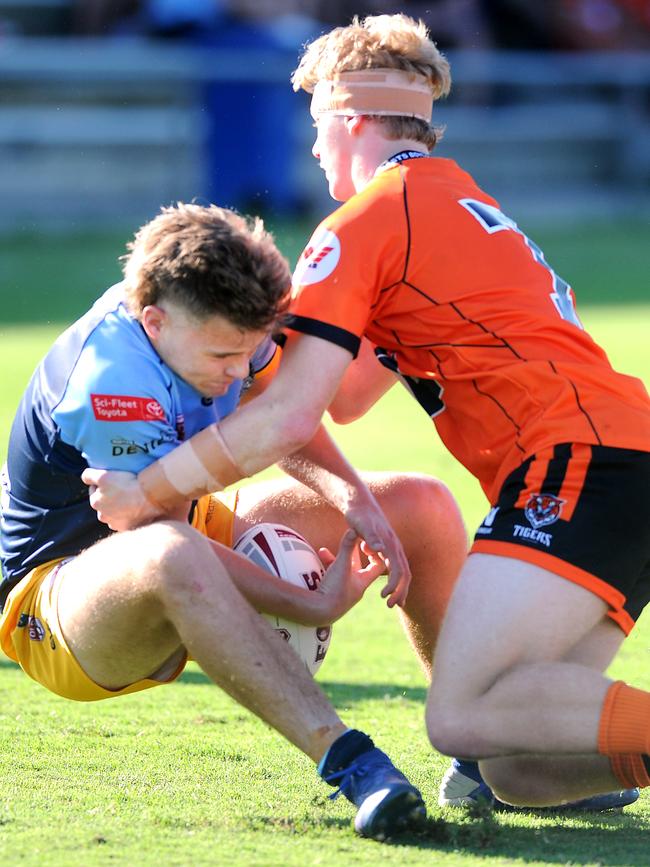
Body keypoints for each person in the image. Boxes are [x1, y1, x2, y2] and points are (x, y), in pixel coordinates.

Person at [84, 15, 650, 812]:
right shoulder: (458, 202)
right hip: (619, 463)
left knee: (460, 716)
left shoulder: (371, 218)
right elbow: (344, 396)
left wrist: (149, 489)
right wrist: (269, 322)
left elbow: (289, 417)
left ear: (349, 119)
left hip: (579, 463)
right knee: (515, 766)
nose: (314, 149)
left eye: (317, 126)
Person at [0, 203, 470, 841]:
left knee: (421, 505)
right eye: (223, 355)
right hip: (59, 607)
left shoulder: (217, 321)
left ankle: (479, 750)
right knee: (169, 551)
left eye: (248, 352)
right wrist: (308, 605)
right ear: (154, 322)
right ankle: (353, 762)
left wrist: (356, 500)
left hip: (184, 528)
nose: (235, 371)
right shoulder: (113, 381)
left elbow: (280, 412)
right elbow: (158, 535)